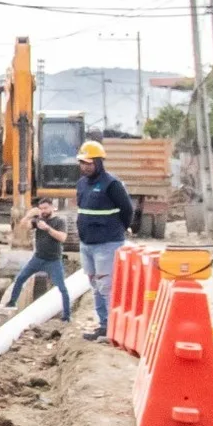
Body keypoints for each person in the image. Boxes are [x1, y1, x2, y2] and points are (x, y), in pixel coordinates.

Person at [72, 140, 135, 339]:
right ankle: (104, 325)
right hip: (87, 244)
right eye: (82, 162)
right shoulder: (81, 184)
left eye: (89, 163)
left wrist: (118, 230)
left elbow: (127, 210)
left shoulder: (111, 184)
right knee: (95, 286)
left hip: (107, 244)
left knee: (107, 287)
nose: (85, 166)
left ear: (99, 163)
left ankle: (114, 330)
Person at [3, 196, 71, 321]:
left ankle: (66, 316)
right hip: (38, 258)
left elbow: (62, 238)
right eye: (41, 209)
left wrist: (47, 229)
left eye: (45, 208)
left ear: (51, 207)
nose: (43, 211)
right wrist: (29, 215)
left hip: (53, 260)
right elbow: (22, 226)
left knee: (62, 288)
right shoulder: (38, 220)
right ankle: (12, 302)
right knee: (20, 278)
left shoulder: (59, 221)